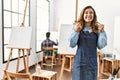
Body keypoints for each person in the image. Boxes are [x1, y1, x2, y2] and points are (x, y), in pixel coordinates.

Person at [69, 6, 107, 80]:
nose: (88, 14)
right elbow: (72, 44)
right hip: (79, 63)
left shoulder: (97, 29)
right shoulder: (77, 27)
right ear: (83, 15)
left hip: (92, 64)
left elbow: (100, 45)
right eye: (86, 13)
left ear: (94, 16)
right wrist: (76, 31)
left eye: (91, 13)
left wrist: (102, 32)